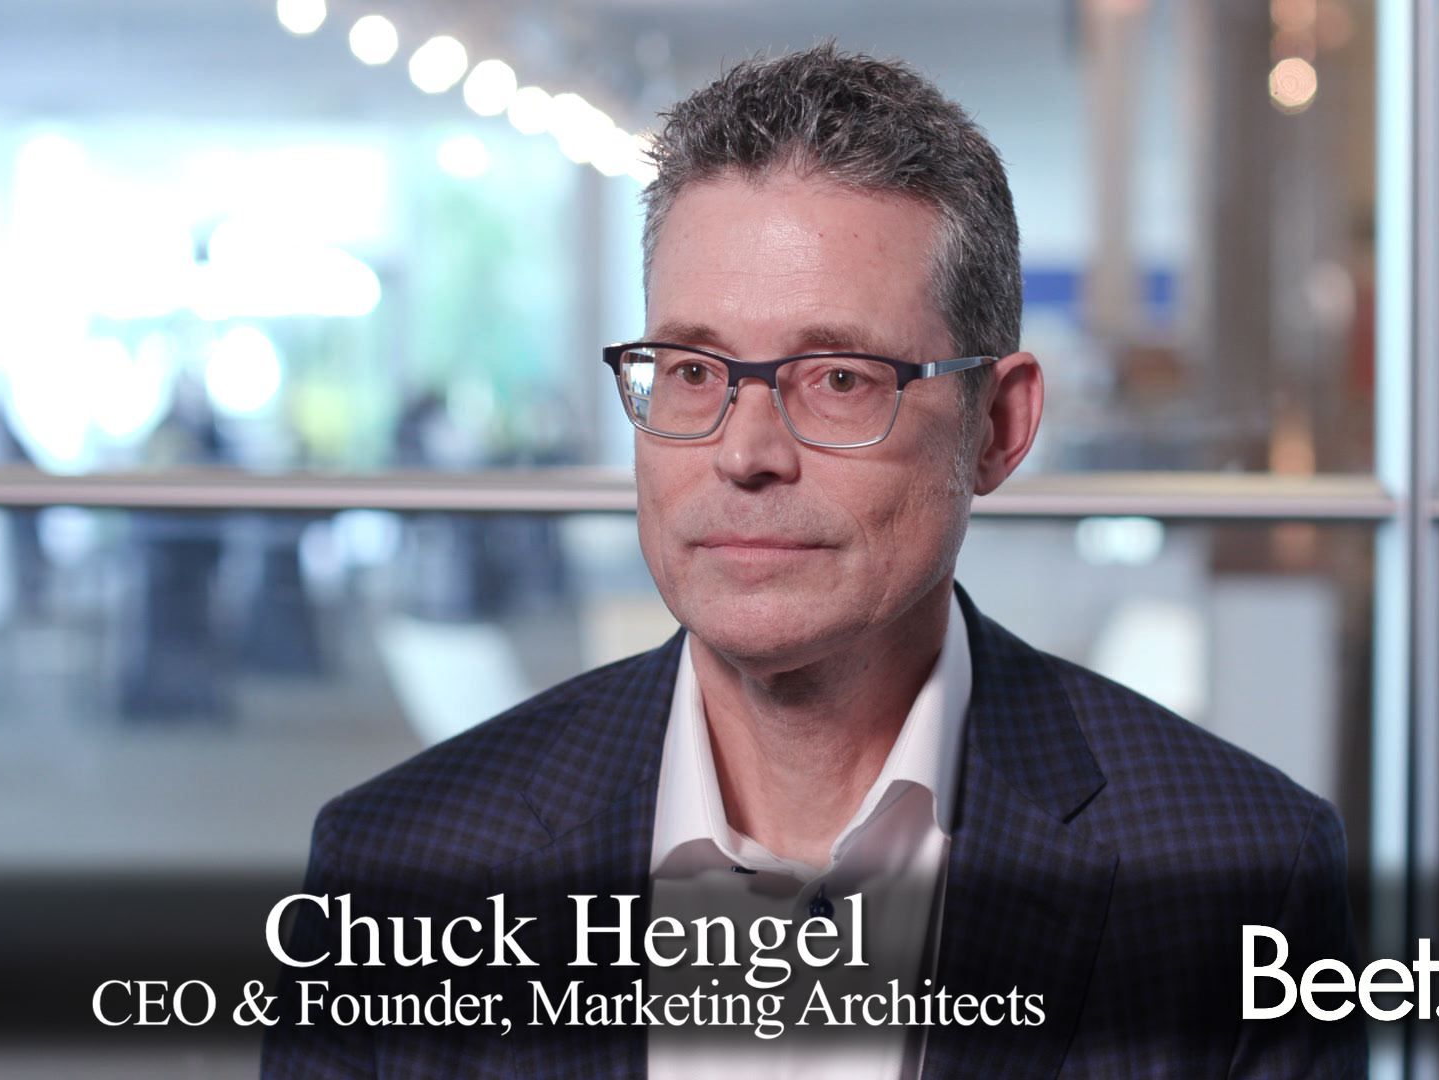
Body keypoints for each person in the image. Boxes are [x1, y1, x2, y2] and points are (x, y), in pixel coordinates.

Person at [264, 44, 1364, 1078]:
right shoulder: (397, 868)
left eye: (839, 378)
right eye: (692, 371)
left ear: (997, 426)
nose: (745, 453)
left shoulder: (1239, 876)